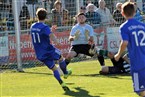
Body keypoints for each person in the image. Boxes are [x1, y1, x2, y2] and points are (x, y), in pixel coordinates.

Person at [30, 8, 72, 91]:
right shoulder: (44, 27)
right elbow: (51, 35)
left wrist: (50, 30)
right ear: (46, 17)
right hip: (48, 50)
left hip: (40, 53)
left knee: (54, 68)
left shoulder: (33, 26)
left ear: (36, 16)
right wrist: (57, 42)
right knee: (60, 57)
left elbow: (42, 34)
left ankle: (61, 82)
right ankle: (66, 73)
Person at [114, 2, 145, 96]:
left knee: (139, 90)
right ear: (135, 12)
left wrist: (118, 55)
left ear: (122, 13)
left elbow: (125, 42)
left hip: (137, 62)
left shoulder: (124, 27)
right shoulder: (143, 25)